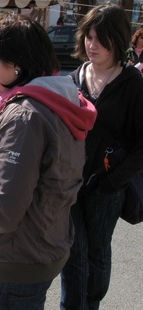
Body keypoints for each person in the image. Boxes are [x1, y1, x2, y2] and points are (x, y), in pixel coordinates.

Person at [0, 12, 97, 309]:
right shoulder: (58, 98)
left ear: (17, 67)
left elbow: (2, 211)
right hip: (37, 247)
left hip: (10, 262)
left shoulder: (25, 116)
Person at [60, 5, 143, 309]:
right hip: (70, 183)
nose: (92, 46)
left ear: (118, 42)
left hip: (107, 187)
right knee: (72, 250)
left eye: (102, 40)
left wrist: (113, 183)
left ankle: (89, 305)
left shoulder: (132, 84)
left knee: (96, 252)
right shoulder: (74, 78)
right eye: (89, 37)